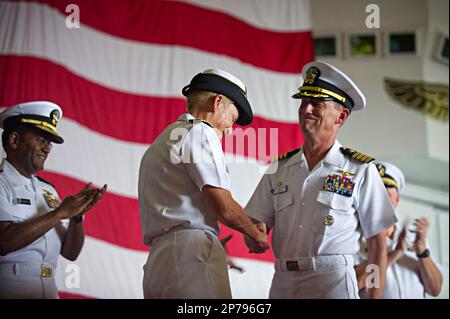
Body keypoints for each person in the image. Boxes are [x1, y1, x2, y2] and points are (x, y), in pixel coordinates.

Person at [244, 61, 397, 299]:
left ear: (341, 116)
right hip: (283, 280)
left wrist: (374, 297)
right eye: (303, 102)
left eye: (316, 104)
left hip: (332, 282)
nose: (306, 109)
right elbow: (255, 222)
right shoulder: (279, 167)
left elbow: (378, 242)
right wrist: (254, 232)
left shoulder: (360, 169)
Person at [138, 68, 269, 299]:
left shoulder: (163, 141)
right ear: (217, 102)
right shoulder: (200, 132)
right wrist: (253, 233)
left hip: (162, 260)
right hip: (190, 254)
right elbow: (224, 208)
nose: (230, 130)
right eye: (232, 119)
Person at [0, 101, 106, 299]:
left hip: (49, 289)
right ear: (14, 140)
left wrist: (76, 217)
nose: (47, 149)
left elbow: (70, 253)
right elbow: (4, 242)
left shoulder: (48, 191)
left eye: (49, 143)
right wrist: (60, 213)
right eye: (41, 139)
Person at [355, 162, 443, 298]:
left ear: (397, 199)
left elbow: (435, 289)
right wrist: (395, 254)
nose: (381, 202)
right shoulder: (353, 237)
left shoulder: (413, 238)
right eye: (376, 196)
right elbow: (353, 283)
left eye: (387, 196)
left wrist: (422, 251)